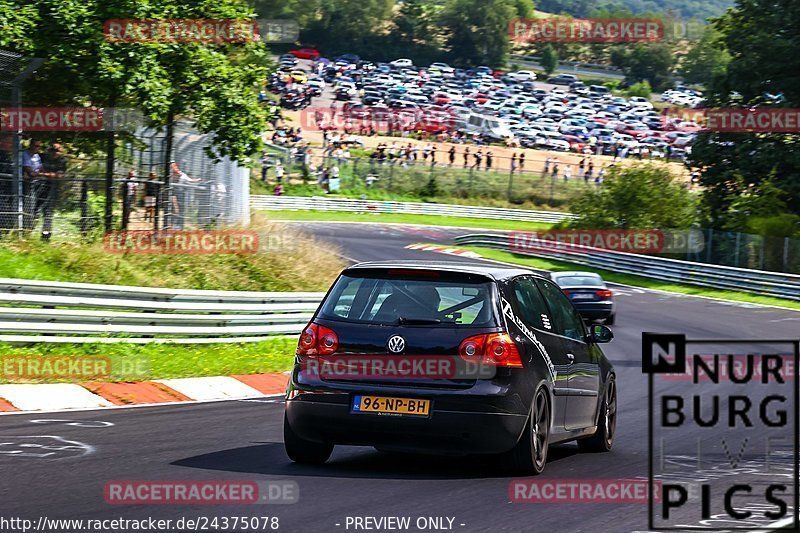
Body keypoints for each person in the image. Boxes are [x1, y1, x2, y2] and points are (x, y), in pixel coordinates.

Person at [38, 143, 67, 240]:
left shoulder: (62, 161)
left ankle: (46, 234)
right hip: (38, 186)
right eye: (52, 150)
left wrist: (44, 174)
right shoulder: (42, 157)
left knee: (48, 211)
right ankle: (27, 230)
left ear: (61, 152)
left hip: (53, 188)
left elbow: (59, 175)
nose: (55, 153)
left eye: (57, 151)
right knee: (34, 208)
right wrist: (49, 174)